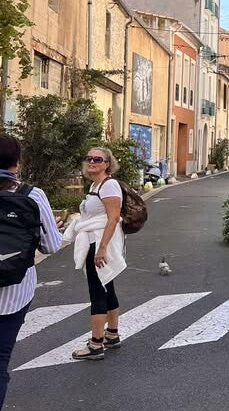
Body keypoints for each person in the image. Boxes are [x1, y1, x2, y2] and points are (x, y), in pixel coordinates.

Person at [0, 134, 62, 406]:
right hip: (13, 295)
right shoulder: (32, 195)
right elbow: (51, 246)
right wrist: (51, 230)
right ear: (17, 162)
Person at [65, 147, 126, 361]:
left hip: (100, 244)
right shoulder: (96, 185)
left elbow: (113, 218)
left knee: (97, 291)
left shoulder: (109, 185)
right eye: (89, 158)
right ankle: (112, 335)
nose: (91, 162)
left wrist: (101, 249)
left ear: (107, 164)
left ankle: (96, 344)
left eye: (97, 159)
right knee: (107, 286)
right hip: (95, 241)